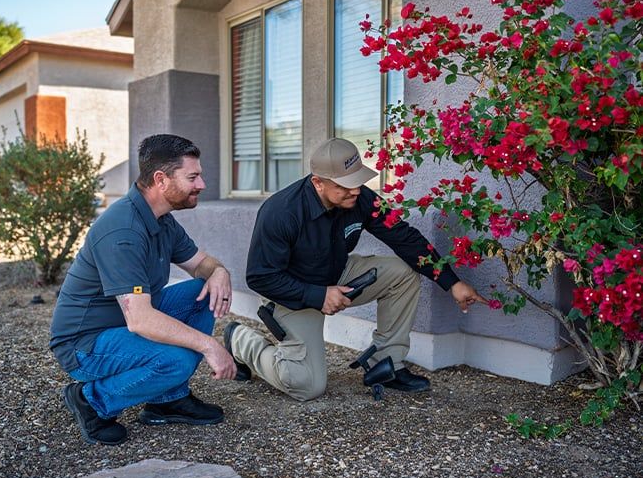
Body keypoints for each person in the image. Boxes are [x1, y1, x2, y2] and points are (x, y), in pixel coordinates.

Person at [224, 137, 486, 402]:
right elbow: (261, 277)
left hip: (337, 273)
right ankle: (241, 340)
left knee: (402, 274)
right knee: (306, 385)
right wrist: (318, 295)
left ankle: (387, 364)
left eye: (358, 181)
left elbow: (402, 236)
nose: (355, 191)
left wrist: (451, 282)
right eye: (345, 186)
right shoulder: (280, 212)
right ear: (318, 183)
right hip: (291, 291)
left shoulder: (358, 197)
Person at [50, 134, 237, 445]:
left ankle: (168, 399)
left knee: (202, 293)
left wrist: (219, 272)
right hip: (84, 342)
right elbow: (140, 320)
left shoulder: (161, 219)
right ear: (160, 180)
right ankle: (91, 400)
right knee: (176, 360)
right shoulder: (123, 230)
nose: (202, 184)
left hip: (123, 322)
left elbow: (200, 263)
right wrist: (209, 345)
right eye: (193, 177)